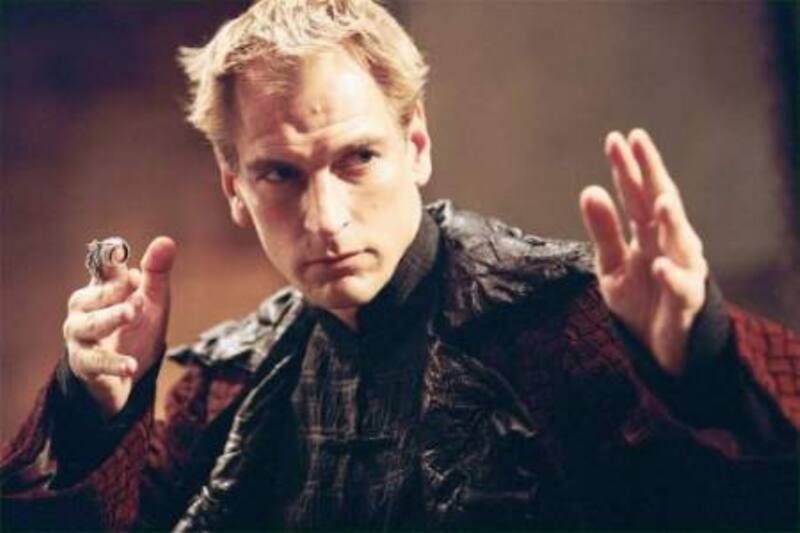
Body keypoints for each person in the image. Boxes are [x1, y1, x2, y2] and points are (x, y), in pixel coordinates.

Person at [2, 0, 797, 530]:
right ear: (234, 186)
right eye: (280, 173)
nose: (326, 218)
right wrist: (92, 405)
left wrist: (702, 364)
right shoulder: (224, 388)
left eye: (357, 158)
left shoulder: (566, 327)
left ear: (415, 144)